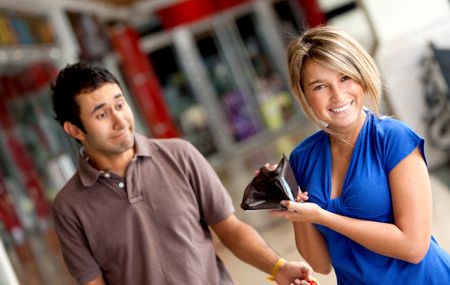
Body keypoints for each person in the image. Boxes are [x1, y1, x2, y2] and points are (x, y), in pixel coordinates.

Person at [49, 62, 315, 285]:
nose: (119, 120)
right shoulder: (69, 207)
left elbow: (230, 229)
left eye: (120, 105)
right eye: (101, 114)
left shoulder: (180, 155)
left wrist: (278, 267)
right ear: (75, 130)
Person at [269, 26, 450, 284]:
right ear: (304, 95)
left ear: (362, 76)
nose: (338, 95)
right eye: (320, 86)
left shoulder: (393, 138)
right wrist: (292, 209)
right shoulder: (302, 159)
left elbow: (413, 247)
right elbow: (320, 264)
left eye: (345, 78)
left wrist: (323, 216)